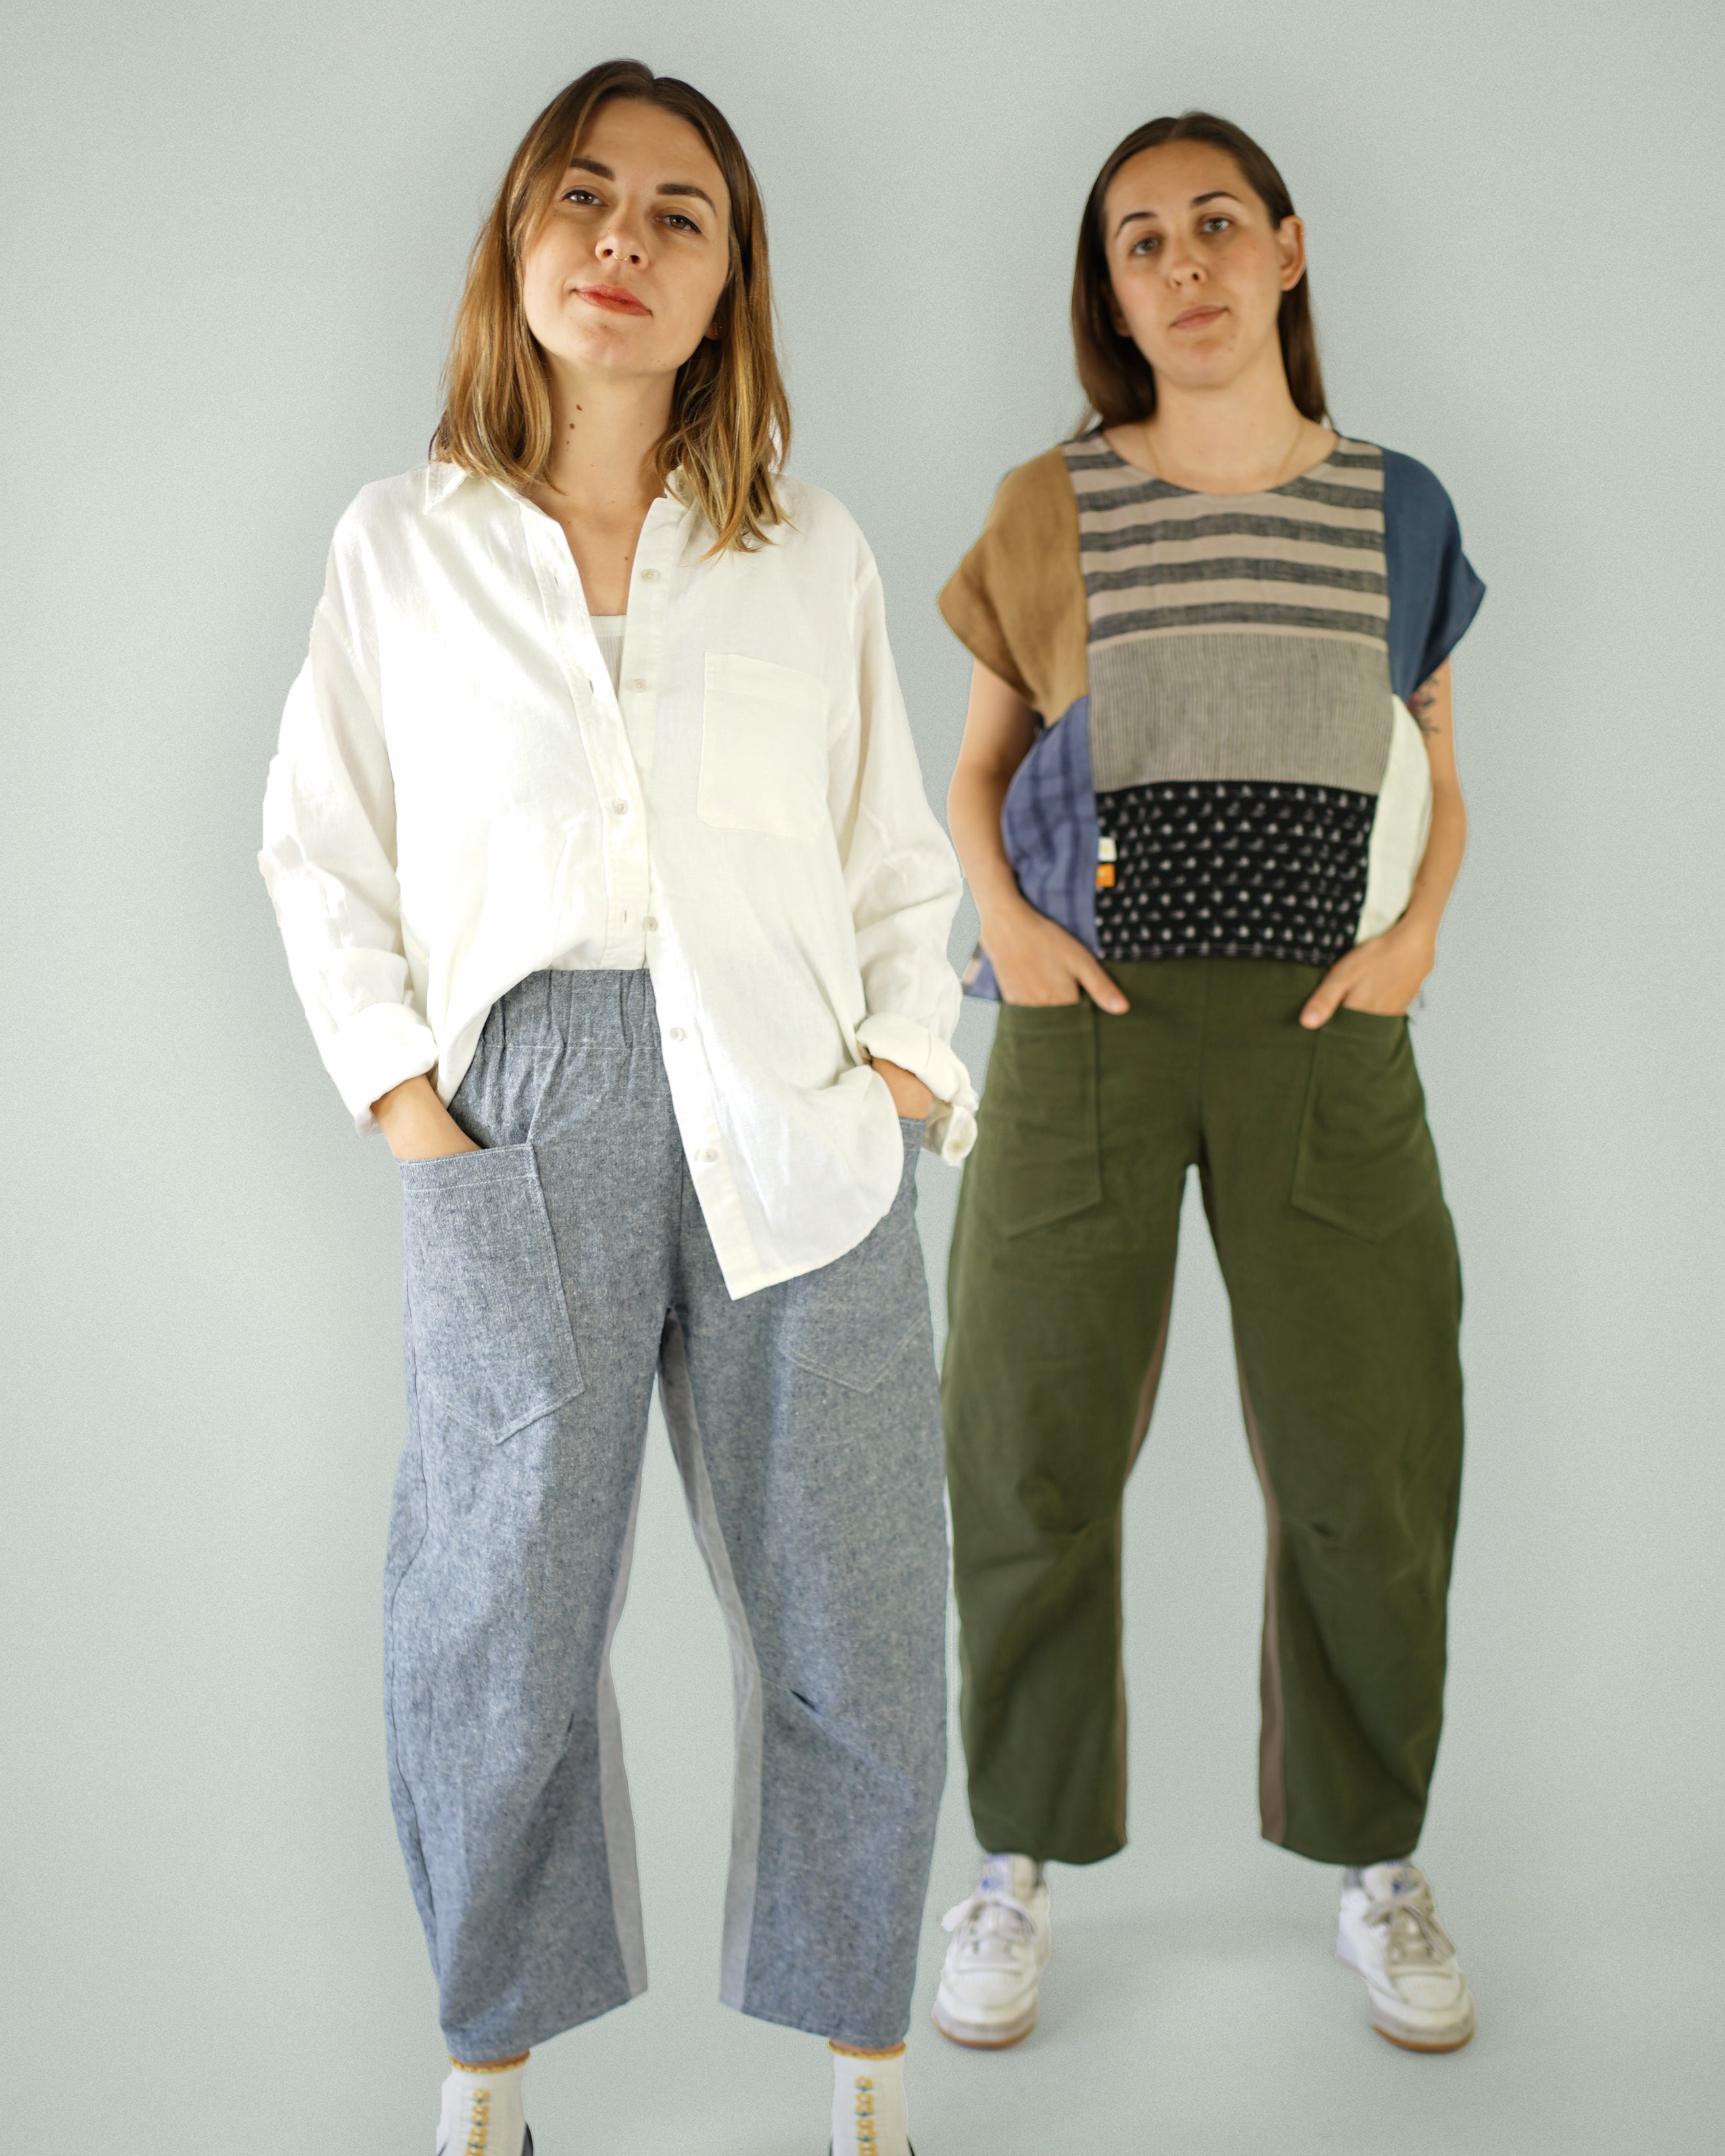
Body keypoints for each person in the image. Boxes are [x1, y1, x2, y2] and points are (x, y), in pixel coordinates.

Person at [260, 60, 976, 2156]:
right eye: (586, 197)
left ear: (730, 278)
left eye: (681, 213)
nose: (626, 242)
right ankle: (490, 2070)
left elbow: (892, 855)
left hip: (796, 1111)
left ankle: (865, 2069)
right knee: (498, 1618)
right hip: (526, 1112)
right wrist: (412, 1105)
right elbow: (321, 846)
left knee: (856, 1607)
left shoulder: (809, 549)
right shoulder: (403, 545)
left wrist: (906, 1076)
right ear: (518, 240)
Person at [932, 110, 1484, 2057]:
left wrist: (1416, 940)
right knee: (1027, 1445)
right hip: (1085, 1024)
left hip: (1327, 1035)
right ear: (1111, 288)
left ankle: (1376, 1862)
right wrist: (1003, 925)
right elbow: (977, 771)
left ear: (1288, 250)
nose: (1183, 266)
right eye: (1140, 241)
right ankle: (1013, 1866)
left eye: (1216, 226)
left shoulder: (1398, 512)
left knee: (1368, 1453)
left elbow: (1440, 777)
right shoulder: (1051, 506)